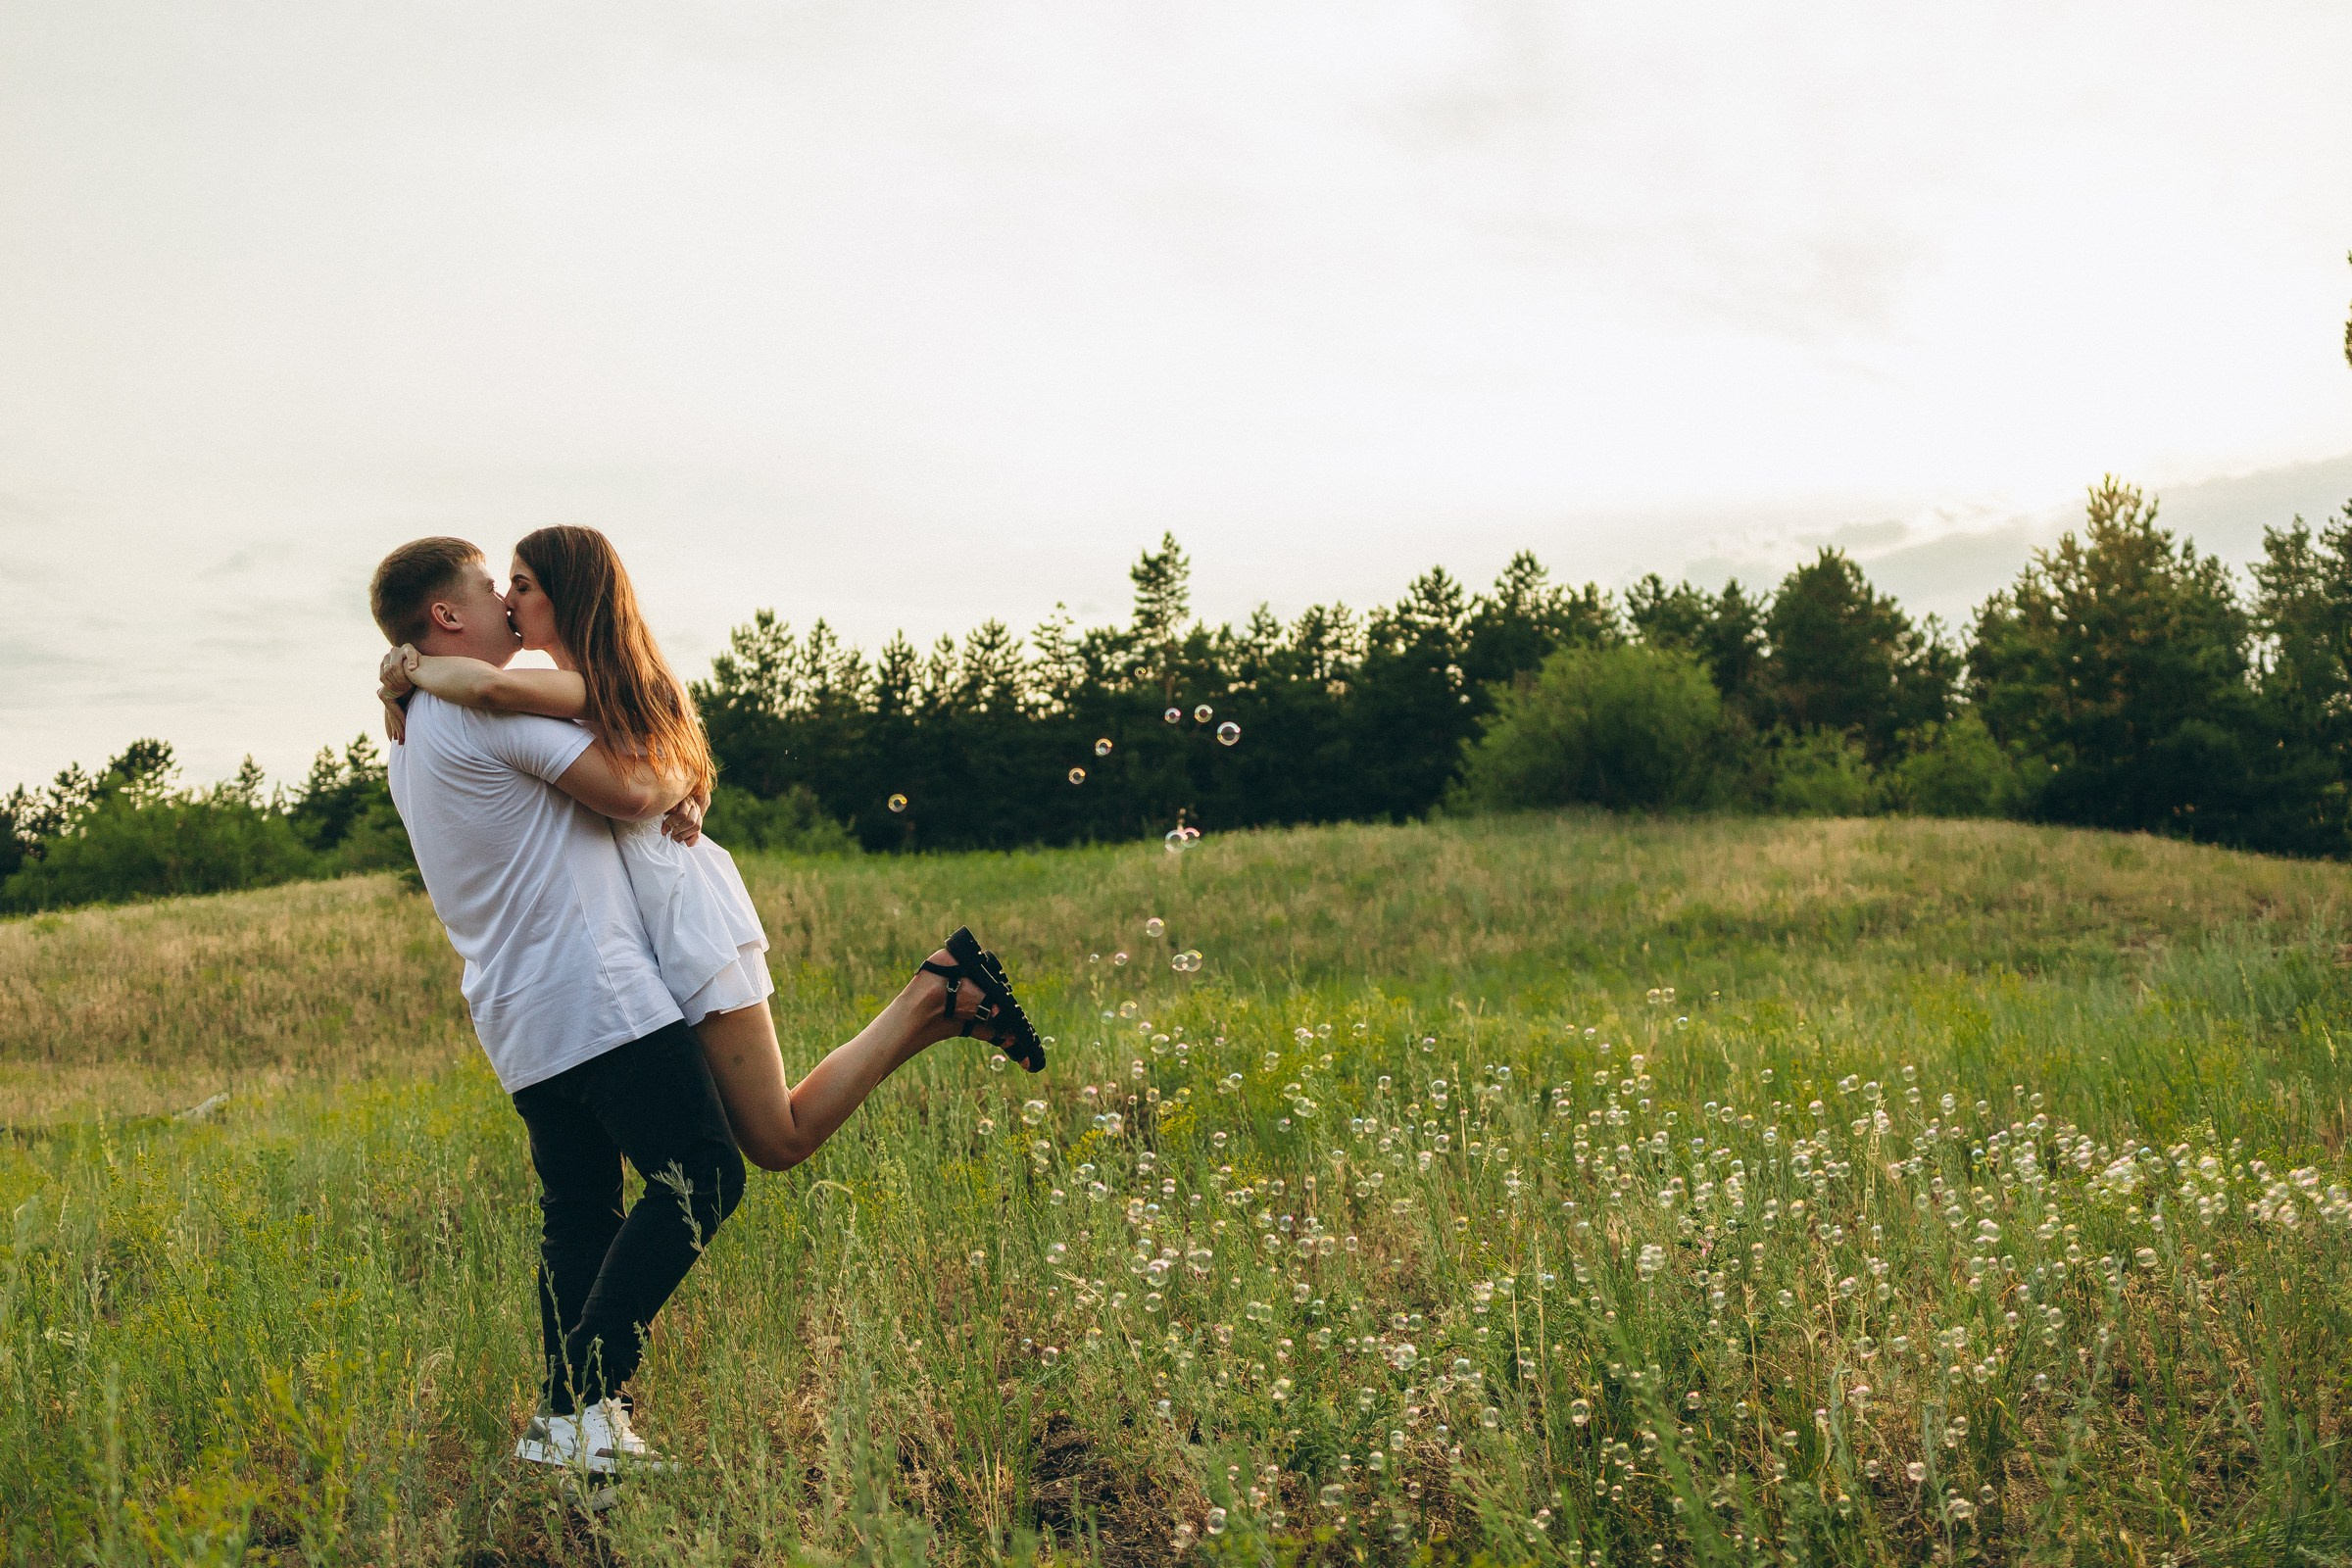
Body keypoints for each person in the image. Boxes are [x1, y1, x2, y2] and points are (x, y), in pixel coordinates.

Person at [368, 531, 1042, 1491]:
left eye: (516, 587)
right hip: (593, 993)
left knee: (581, 1214)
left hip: (515, 1014)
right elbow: (637, 782)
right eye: (490, 589)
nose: (505, 605)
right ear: (446, 617)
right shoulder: (478, 712)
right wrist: (678, 783)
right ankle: (571, 1406)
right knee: (702, 1173)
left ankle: (582, 1421)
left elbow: (618, 763)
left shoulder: (407, 729)